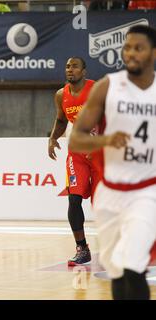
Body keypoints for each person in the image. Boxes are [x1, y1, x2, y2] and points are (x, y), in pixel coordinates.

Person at [69, 25, 156, 300]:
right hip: (110, 192)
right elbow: (76, 140)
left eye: (138, 48)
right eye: (127, 47)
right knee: (117, 268)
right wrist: (105, 141)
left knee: (133, 264)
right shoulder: (108, 86)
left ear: (153, 53)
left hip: (146, 191)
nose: (130, 53)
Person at [48, 57, 101, 266]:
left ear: (84, 71)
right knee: (74, 199)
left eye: (75, 66)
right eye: (67, 66)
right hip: (77, 154)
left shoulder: (97, 90)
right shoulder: (61, 95)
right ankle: (82, 248)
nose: (70, 70)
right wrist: (52, 138)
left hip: (100, 154)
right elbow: (61, 120)